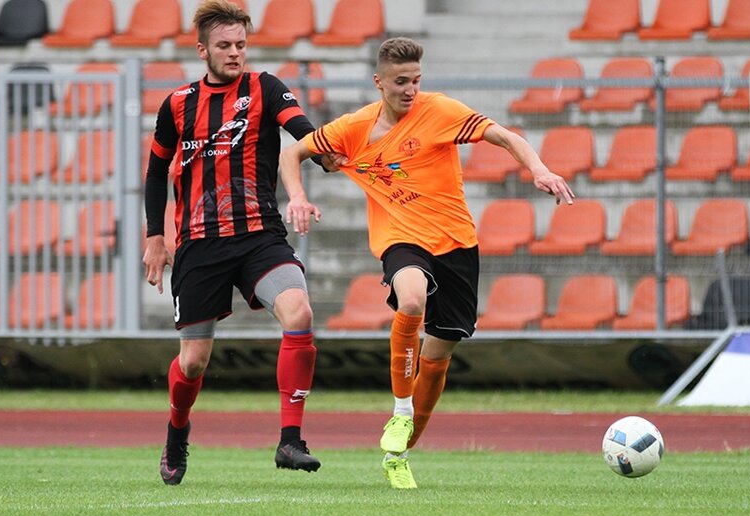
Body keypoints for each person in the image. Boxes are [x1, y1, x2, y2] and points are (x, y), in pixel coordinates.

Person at [279, 37, 575, 489]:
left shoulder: (440, 111)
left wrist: (539, 169)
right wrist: (298, 196)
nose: (410, 89)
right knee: (412, 299)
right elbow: (293, 152)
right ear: (379, 82)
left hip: (456, 244)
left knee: (438, 356)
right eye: (401, 81)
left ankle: (399, 453)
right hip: (400, 240)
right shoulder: (354, 127)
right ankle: (400, 412)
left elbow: (505, 136)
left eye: (416, 80)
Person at [143, 0, 338, 485]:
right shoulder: (177, 104)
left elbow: (301, 129)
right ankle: (177, 430)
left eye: (241, 45)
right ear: (203, 50)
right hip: (199, 244)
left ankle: (290, 440)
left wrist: (323, 154)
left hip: (259, 236)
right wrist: (155, 237)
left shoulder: (265, 88)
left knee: (300, 313)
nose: (235, 53)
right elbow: (155, 171)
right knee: (193, 362)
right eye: (225, 45)